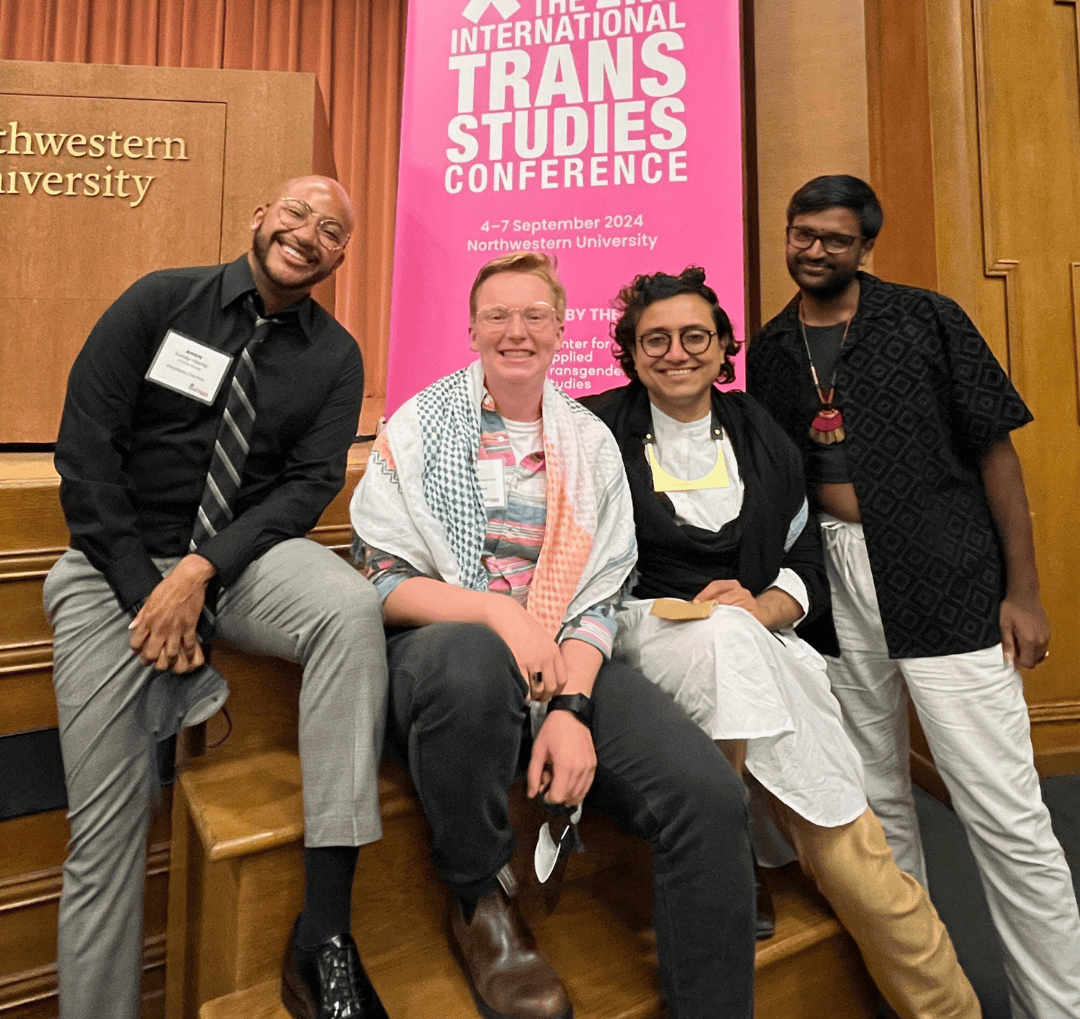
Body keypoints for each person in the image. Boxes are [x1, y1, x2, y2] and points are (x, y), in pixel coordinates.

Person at [350, 252, 756, 1019]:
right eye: (498, 315)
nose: (516, 330)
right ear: (471, 329)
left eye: (535, 315)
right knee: (473, 661)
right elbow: (379, 578)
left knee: (705, 796)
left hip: (564, 658)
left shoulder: (590, 441)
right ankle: (477, 897)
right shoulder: (415, 426)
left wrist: (572, 709)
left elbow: (602, 595)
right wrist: (500, 615)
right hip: (442, 656)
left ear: (560, 329)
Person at [584, 267, 979, 1019]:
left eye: (694, 336)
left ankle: (950, 1007)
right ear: (630, 353)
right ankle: (732, 846)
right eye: (654, 339)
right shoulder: (595, 429)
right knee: (826, 802)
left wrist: (763, 606)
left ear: (724, 346)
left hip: (757, 636)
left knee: (846, 836)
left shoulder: (759, 429)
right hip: (642, 631)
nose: (676, 352)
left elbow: (803, 561)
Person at [47, 176, 390, 1019]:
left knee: (350, 608)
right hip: (113, 561)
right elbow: (85, 455)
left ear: (342, 257)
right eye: (298, 214)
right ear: (258, 214)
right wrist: (146, 592)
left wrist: (201, 572)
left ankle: (326, 928)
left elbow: (306, 486)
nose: (310, 234)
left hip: (239, 562)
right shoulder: (160, 302)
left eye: (333, 231)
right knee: (103, 838)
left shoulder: (333, 356)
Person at [747, 173, 1080, 1019]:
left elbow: (996, 454)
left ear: (866, 246)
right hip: (834, 586)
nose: (812, 250)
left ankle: (1058, 1006)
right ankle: (929, 997)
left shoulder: (927, 319)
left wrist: (1026, 591)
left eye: (832, 238)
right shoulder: (772, 347)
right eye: (800, 234)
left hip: (948, 579)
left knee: (1005, 814)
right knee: (879, 806)